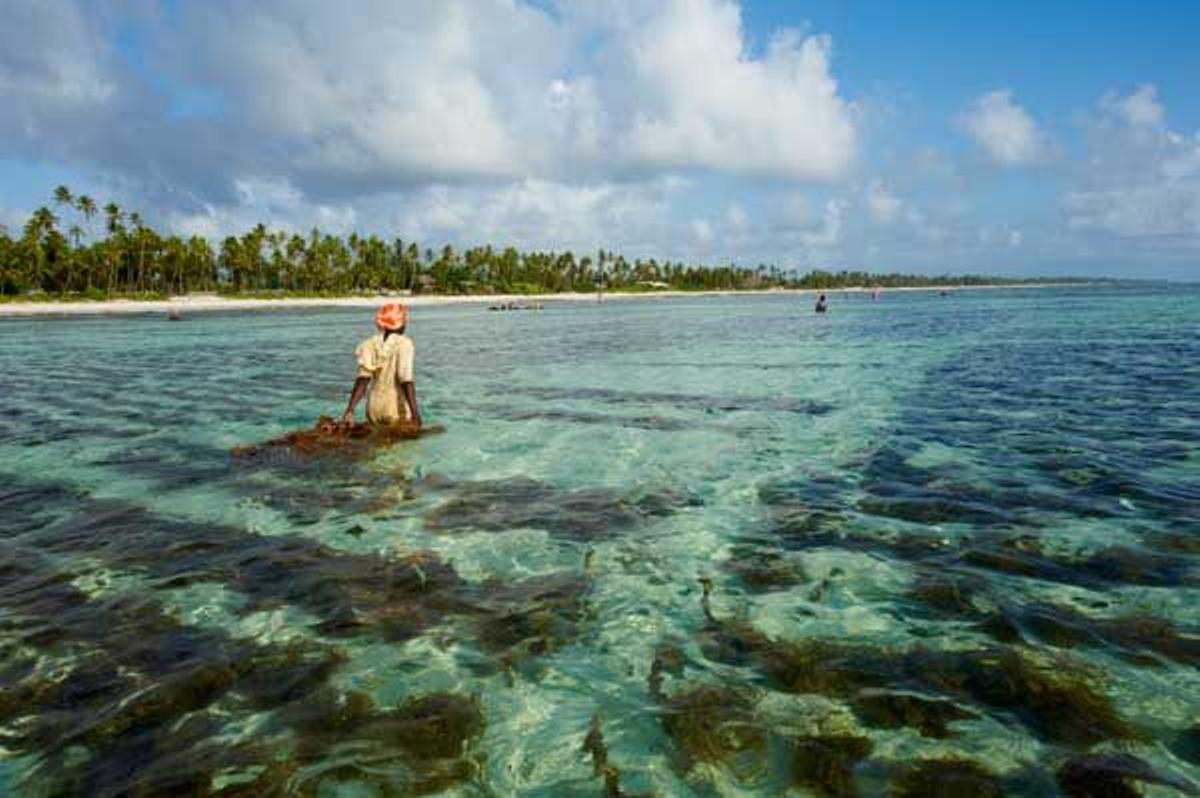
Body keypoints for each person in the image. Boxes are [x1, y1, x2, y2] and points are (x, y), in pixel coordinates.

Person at [341, 303, 421, 428]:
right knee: (398, 446)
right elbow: (405, 379)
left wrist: (350, 411)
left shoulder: (368, 344)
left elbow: (362, 380)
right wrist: (415, 414)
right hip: (394, 406)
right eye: (405, 320)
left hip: (373, 407)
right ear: (401, 323)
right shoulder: (405, 343)